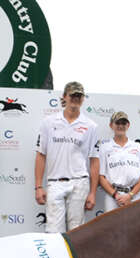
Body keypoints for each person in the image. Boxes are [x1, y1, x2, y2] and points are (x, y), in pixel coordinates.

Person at [34, 81, 99, 233]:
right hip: (55, 182)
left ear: (83, 99)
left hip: (79, 183)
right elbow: (41, 155)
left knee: (76, 232)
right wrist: (38, 186)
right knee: (53, 232)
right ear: (64, 97)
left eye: (79, 96)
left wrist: (93, 193)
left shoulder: (91, 126)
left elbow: (94, 160)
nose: (76, 98)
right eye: (73, 95)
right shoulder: (48, 122)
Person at [96, 111, 140, 212]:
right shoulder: (104, 147)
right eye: (117, 123)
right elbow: (101, 177)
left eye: (123, 123)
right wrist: (116, 195)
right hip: (112, 197)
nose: (120, 126)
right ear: (111, 125)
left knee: (135, 226)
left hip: (134, 195)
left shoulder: (138, 147)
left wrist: (130, 195)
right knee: (112, 226)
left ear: (128, 125)